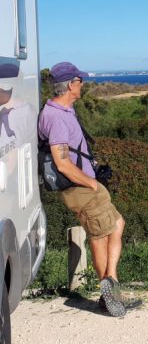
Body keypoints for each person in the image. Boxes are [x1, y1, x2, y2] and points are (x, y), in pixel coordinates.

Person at [38, 61, 127, 317]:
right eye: (79, 81)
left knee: (116, 224)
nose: (82, 85)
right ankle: (109, 291)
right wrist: (91, 183)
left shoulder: (65, 110)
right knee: (99, 237)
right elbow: (62, 162)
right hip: (81, 188)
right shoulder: (56, 118)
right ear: (69, 85)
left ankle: (110, 283)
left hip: (86, 185)